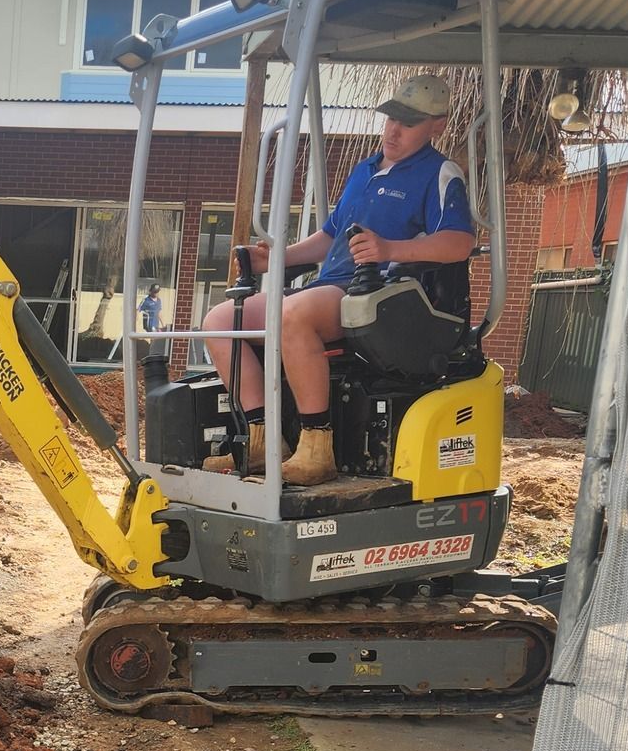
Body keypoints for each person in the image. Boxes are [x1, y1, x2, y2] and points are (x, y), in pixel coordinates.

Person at [200, 73, 477, 487]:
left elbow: (459, 242)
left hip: (381, 293)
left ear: (437, 125)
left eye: (409, 122)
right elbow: (329, 236)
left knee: (293, 314)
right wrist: (275, 260)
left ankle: (316, 448)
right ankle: (261, 439)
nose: (394, 131)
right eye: (391, 119)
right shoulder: (365, 169)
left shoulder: (440, 174)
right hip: (330, 287)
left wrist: (389, 250)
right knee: (220, 321)